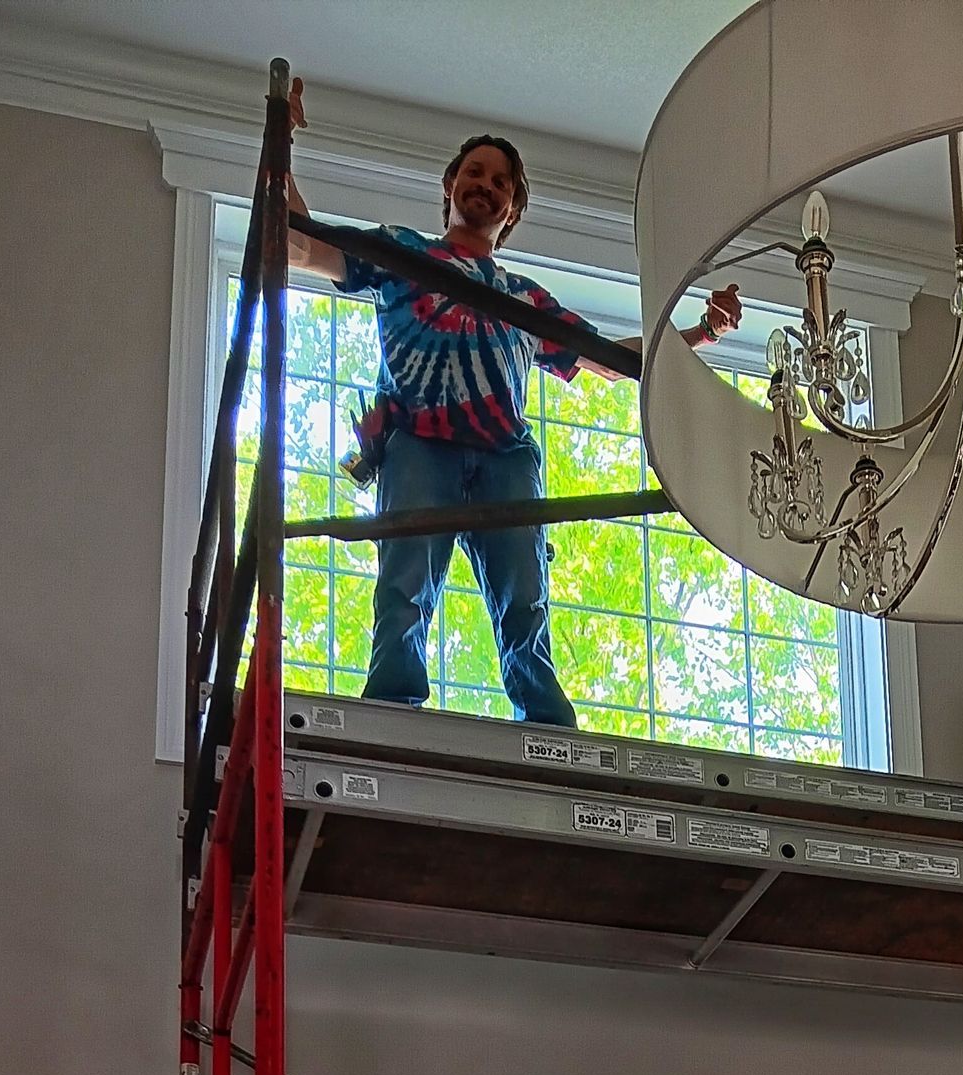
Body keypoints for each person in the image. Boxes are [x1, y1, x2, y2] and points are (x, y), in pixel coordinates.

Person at [285, 82, 741, 722]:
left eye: (501, 183)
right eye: (475, 172)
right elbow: (300, 246)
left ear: (513, 212)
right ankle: (390, 708)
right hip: (420, 444)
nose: (487, 185)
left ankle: (549, 725)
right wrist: (283, 147)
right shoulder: (403, 253)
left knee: (524, 595)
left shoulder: (523, 299)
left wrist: (699, 334)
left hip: (504, 456)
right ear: (450, 186)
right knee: (404, 583)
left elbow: (606, 360)